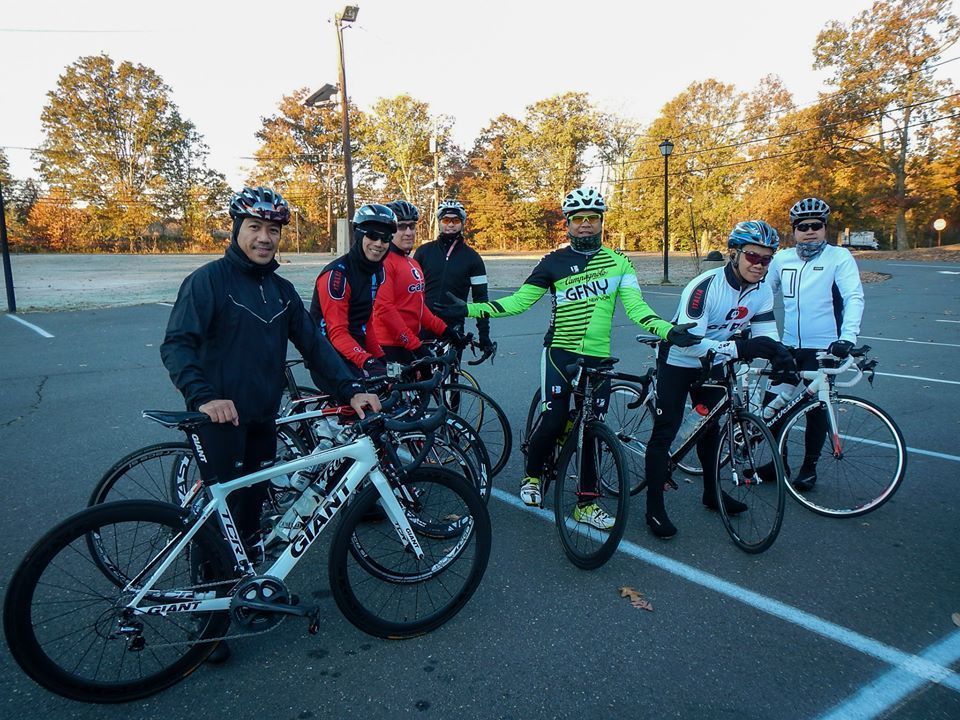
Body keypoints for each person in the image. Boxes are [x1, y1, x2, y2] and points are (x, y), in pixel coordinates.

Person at [160, 187, 380, 660]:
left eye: (273, 230)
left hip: (263, 418)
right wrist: (204, 397)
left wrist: (350, 388)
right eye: (255, 228)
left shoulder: (280, 291)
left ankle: (239, 591)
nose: (264, 238)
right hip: (220, 419)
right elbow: (177, 345)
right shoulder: (208, 281)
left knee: (249, 512)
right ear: (236, 229)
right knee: (218, 522)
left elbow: (314, 346)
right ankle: (206, 622)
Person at [435, 186, 701, 530]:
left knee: (592, 429)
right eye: (578, 219)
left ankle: (586, 505)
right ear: (568, 224)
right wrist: (469, 309)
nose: (585, 224)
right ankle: (532, 475)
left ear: (601, 222)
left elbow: (637, 309)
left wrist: (668, 330)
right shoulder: (553, 262)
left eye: (592, 218)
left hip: (598, 358)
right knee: (555, 419)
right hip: (560, 353)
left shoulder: (619, 262)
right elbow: (519, 302)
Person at [643, 220, 797, 540]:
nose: (759, 265)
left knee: (711, 430)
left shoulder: (762, 290)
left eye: (767, 259)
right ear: (734, 254)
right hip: (679, 359)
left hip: (715, 362)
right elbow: (691, 343)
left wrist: (780, 356)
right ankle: (653, 507)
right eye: (753, 256)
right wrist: (740, 348)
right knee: (666, 431)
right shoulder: (704, 287)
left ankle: (712, 493)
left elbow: (766, 335)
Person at [763, 197, 865, 490]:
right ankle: (777, 462)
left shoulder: (838, 257)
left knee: (816, 411)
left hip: (825, 348)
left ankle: (809, 468)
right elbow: (763, 295)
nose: (810, 231)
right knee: (772, 406)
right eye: (803, 226)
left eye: (816, 226)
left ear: (825, 228)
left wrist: (848, 337)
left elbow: (853, 297)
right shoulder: (782, 259)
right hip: (788, 346)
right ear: (794, 230)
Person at [310, 204, 396, 379]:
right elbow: (337, 332)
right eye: (372, 235)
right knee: (367, 394)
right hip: (326, 353)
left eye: (385, 238)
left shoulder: (376, 272)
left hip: (352, 350)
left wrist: (380, 358)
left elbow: (365, 322)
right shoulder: (337, 276)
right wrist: (367, 361)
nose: (379, 244)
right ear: (359, 235)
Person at [371, 199, 461, 363]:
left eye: (412, 226)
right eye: (401, 227)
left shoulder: (413, 263)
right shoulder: (384, 263)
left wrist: (445, 330)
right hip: (389, 346)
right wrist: (415, 345)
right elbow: (384, 309)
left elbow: (418, 308)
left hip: (409, 342)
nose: (408, 232)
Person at [414, 199, 494, 355]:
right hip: (422, 324)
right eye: (446, 220)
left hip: (453, 327)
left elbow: (481, 299)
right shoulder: (423, 252)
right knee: (421, 369)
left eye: (456, 220)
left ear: (462, 223)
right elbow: (409, 290)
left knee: (450, 368)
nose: (450, 224)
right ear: (439, 222)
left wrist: (484, 335)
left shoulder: (473, 258)